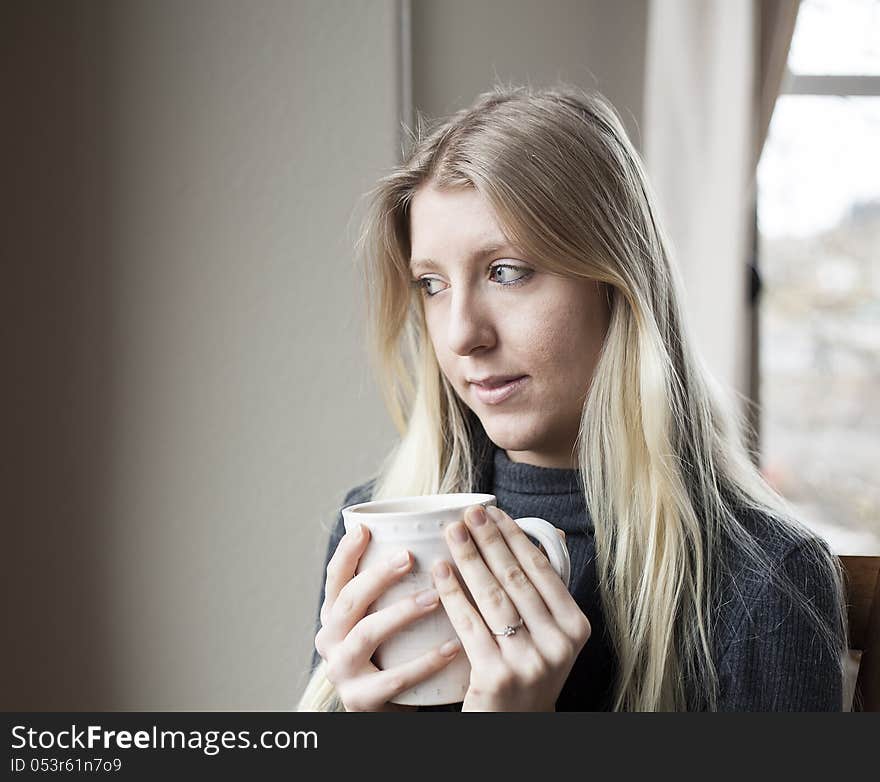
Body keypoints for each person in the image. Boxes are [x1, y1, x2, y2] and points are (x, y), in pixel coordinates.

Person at [297, 83, 848, 712]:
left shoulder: (763, 581)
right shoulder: (375, 528)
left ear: (614, 284)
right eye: (432, 284)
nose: (461, 335)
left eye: (507, 272)